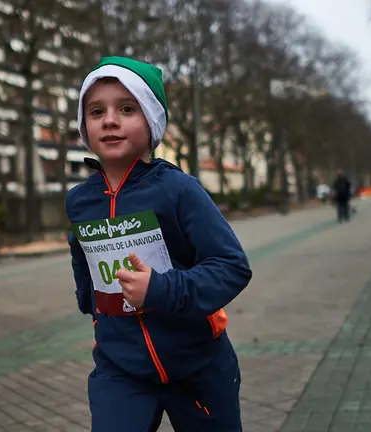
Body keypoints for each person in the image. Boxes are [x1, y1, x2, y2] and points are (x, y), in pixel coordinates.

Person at [65, 56, 253, 431]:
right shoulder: (80, 200)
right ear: (85, 126)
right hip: (120, 369)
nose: (110, 120)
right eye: (96, 110)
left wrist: (160, 289)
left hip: (198, 365)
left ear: (151, 120)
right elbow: (82, 256)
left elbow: (232, 267)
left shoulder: (178, 190)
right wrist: (93, 307)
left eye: (127, 108)